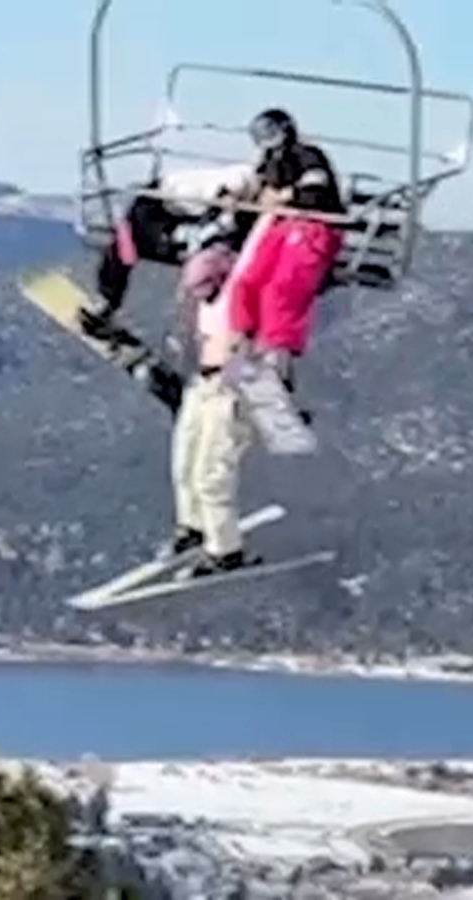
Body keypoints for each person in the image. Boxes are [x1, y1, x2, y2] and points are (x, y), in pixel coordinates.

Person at [226, 108, 346, 395]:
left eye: (272, 134)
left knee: (281, 287)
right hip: (280, 226)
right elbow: (259, 194)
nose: (269, 143)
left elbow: (317, 192)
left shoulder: (308, 156)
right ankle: (242, 344)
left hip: (314, 226)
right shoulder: (268, 163)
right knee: (247, 281)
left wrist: (286, 196)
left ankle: (277, 361)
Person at [167, 241, 260, 577]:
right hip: (203, 384)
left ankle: (225, 550)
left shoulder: (239, 295)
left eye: (204, 288)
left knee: (212, 474)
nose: (199, 296)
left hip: (229, 389)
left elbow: (251, 257)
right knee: (185, 460)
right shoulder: (205, 299)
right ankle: (192, 526)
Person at [84, 163, 261, 337]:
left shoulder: (243, 204)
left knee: (207, 254)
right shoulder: (241, 179)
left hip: (189, 214)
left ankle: (107, 300)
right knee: (127, 243)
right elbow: (234, 185)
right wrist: (228, 200)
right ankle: (106, 300)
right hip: (162, 205)